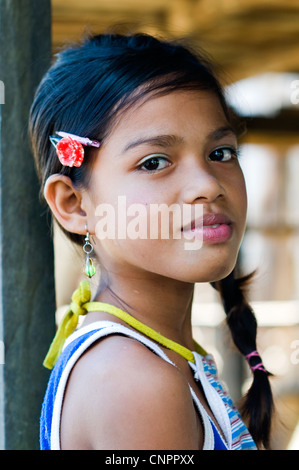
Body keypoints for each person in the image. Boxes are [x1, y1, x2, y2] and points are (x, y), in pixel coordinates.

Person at [29, 31, 274, 450]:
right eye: (154, 162)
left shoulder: (159, 358)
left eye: (221, 153)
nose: (208, 185)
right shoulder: (133, 380)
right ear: (74, 203)